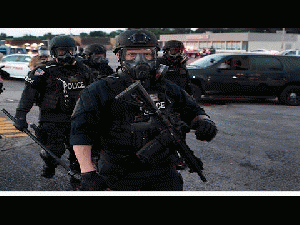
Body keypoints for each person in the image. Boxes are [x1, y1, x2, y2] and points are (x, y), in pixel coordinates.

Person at [70, 29, 218, 191]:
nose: (140, 60)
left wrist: (204, 122)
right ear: (119, 56)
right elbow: (81, 132)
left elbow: (193, 110)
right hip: (119, 173)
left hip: (163, 171)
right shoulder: (99, 90)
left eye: (147, 54)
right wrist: (87, 171)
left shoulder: (166, 87)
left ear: (155, 56)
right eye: (132, 54)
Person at [14, 35, 94, 189]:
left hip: (77, 119)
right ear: (54, 53)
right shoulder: (43, 72)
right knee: (53, 151)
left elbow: (93, 93)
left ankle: (76, 178)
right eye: (62, 52)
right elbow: (28, 96)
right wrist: (20, 116)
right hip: (52, 119)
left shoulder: (83, 70)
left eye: (71, 51)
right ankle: (50, 165)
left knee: (78, 152)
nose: (68, 55)